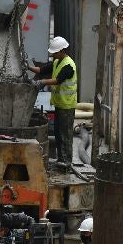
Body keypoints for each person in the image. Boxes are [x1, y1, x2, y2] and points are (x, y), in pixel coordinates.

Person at [28, 36, 77, 169]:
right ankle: (61, 159)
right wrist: (28, 66)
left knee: (65, 134)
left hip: (67, 105)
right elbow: (41, 70)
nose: (53, 54)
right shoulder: (56, 62)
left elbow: (58, 80)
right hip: (59, 104)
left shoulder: (69, 65)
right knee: (58, 133)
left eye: (55, 52)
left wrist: (41, 82)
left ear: (62, 50)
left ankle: (66, 161)